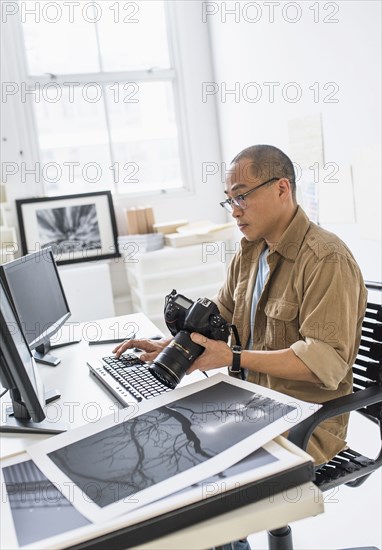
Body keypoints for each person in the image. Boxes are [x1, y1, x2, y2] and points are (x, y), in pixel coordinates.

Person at [114, 144, 367, 466]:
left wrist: (232, 356)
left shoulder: (326, 259)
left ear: (281, 189)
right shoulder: (250, 252)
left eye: (242, 196)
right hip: (245, 400)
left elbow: (325, 361)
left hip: (304, 422)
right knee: (150, 429)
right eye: (230, 199)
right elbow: (221, 315)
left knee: (175, 454)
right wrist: (172, 346)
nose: (234, 210)